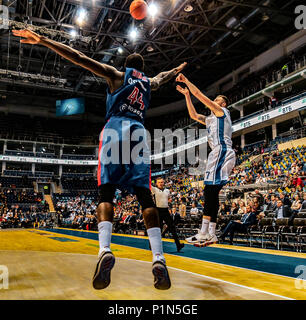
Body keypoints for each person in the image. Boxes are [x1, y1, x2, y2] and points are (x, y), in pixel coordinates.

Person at [13, 28, 187, 291]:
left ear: (126, 66)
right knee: (144, 197)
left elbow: (80, 57)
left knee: (106, 194)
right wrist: (175, 70)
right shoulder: (147, 83)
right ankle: (158, 258)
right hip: (139, 132)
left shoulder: (117, 75)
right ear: (142, 69)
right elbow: (161, 78)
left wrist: (44, 40)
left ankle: (105, 250)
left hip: (116, 128)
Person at [176, 74, 236, 246]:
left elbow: (201, 97)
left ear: (222, 104)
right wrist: (187, 95)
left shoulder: (221, 112)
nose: (213, 101)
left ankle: (205, 232)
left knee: (209, 192)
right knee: (212, 192)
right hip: (217, 153)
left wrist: (187, 81)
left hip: (221, 150)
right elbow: (194, 115)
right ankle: (210, 232)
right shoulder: (210, 119)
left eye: (216, 99)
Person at [151, 177, 184, 252]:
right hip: (158, 210)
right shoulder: (154, 190)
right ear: (156, 183)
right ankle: (153, 246)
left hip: (166, 210)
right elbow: (149, 183)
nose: (161, 183)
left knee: (172, 228)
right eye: (159, 182)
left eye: (162, 182)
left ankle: (178, 245)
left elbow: (168, 199)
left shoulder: (167, 191)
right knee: (158, 229)